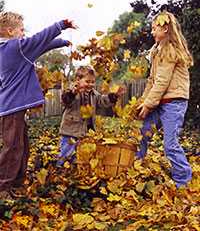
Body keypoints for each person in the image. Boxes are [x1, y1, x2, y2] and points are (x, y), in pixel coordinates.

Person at [0, 11, 77, 199]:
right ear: (10, 31)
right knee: (13, 147)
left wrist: (62, 42)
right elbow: (39, 39)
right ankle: (3, 188)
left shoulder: (7, 49)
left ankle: (16, 183)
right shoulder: (14, 48)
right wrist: (62, 24)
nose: (23, 32)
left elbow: (39, 46)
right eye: (20, 29)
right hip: (11, 108)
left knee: (21, 145)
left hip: (12, 108)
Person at [136, 11, 193, 188]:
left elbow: (162, 81)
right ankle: (134, 170)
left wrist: (148, 104)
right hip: (160, 101)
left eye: (155, 28)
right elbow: (152, 80)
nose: (152, 32)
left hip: (174, 103)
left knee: (170, 144)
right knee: (142, 133)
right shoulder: (156, 51)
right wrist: (143, 101)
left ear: (166, 29)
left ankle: (183, 181)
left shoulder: (169, 50)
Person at [57, 66, 124, 166]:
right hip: (71, 130)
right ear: (78, 80)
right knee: (67, 152)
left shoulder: (94, 94)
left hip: (86, 130)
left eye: (93, 82)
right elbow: (65, 101)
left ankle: (75, 169)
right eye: (87, 81)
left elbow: (102, 101)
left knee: (81, 154)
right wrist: (74, 92)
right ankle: (60, 168)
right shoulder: (71, 91)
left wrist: (114, 96)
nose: (91, 84)